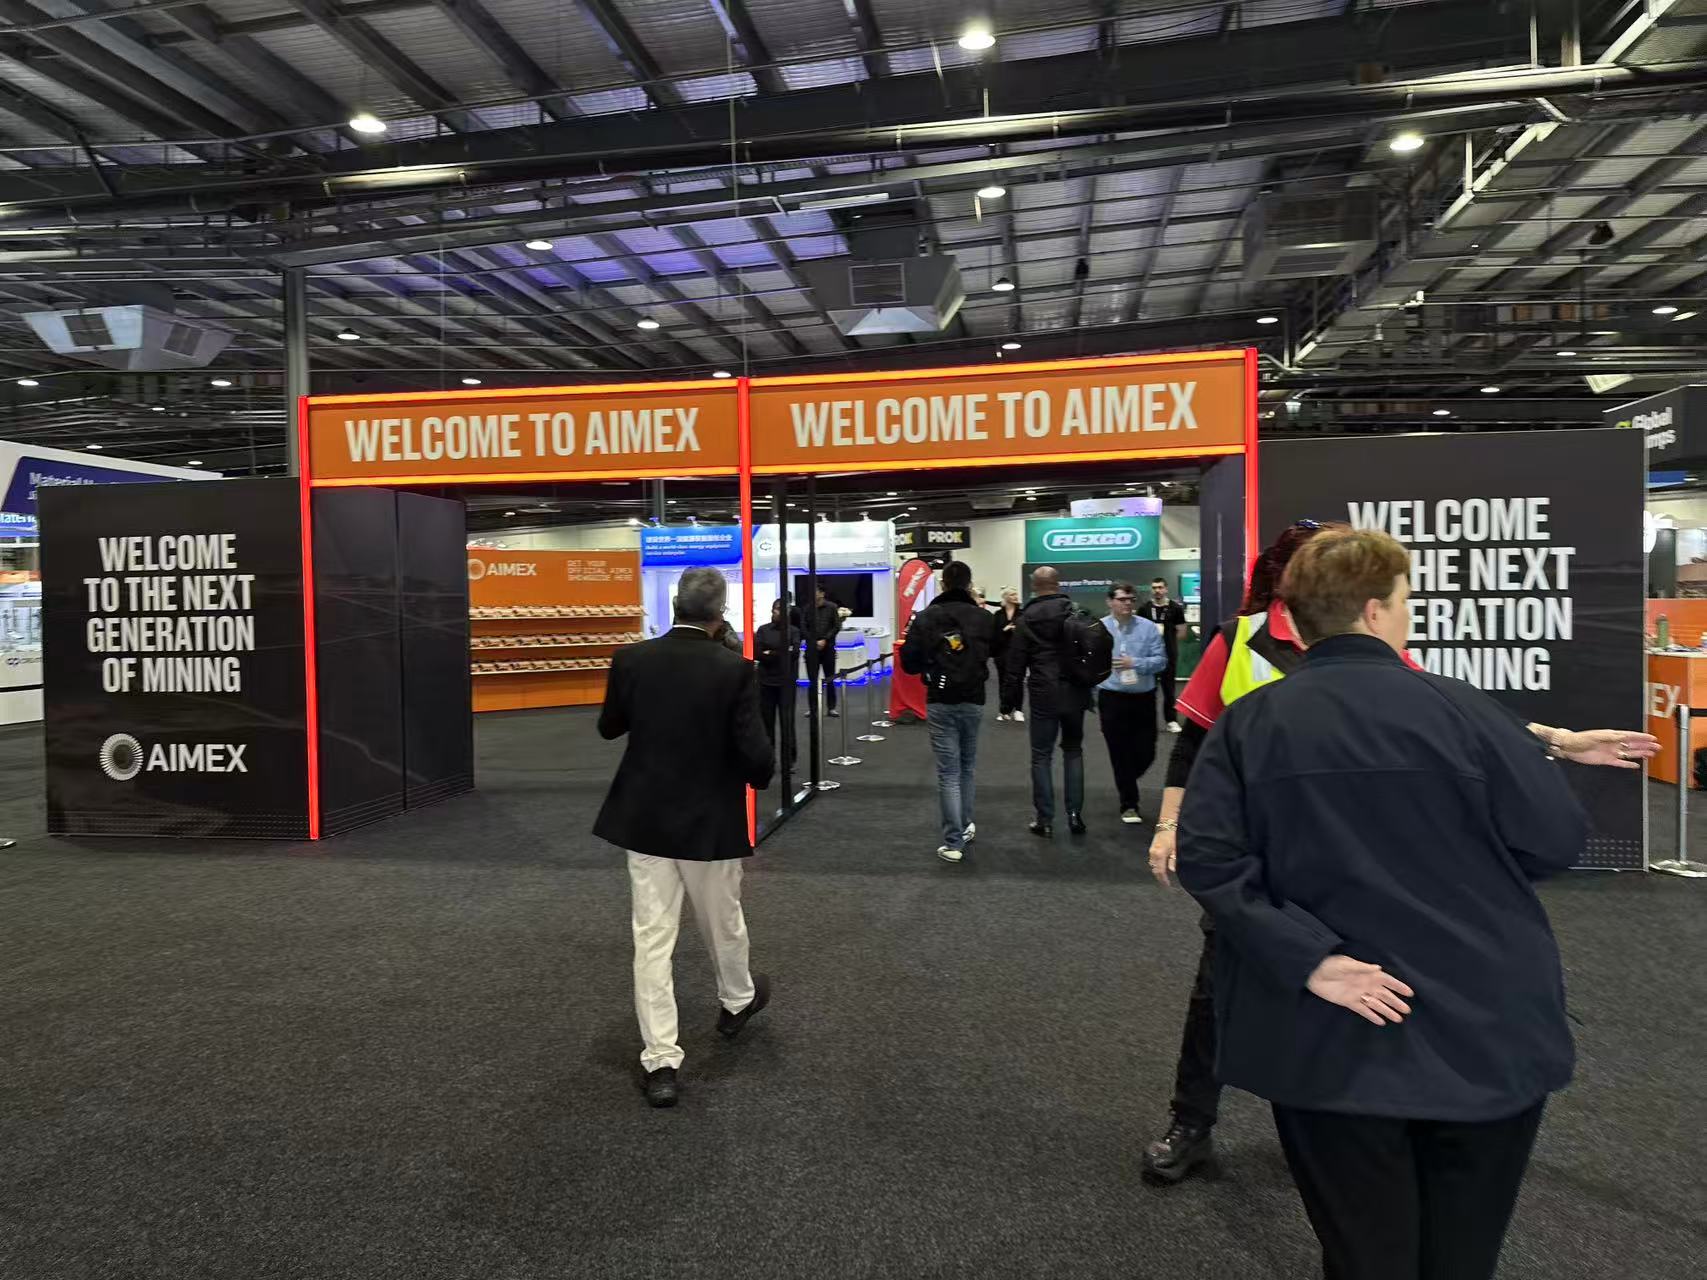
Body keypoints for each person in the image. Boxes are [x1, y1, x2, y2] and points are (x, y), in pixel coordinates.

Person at [1140, 521, 1661, 1185]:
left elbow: (1441, 713)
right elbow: (1195, 742)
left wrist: (1555, 739)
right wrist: (1168, 824)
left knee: (1370, 987)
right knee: (1222, 985)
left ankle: (1373, 1108)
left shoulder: (1378, 647)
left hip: (1350, 853)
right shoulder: (1236, 642)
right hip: (1270, 858)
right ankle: (1192, 1120)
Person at [593, 567, 776, 1109]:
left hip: (644, 818)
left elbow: (609, 726)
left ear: (674, 605)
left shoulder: (631, 659)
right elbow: (758, 759)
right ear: (721, 614)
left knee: (651, 939)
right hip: (710, 822)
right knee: (723, 923)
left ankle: (661, 1061)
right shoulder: (734, 669)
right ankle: (737, 1001)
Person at [900, 559, 996, 864]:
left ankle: (953, 840)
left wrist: (932, 663)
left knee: (949, 773)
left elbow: (909, 661)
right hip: (974, 698)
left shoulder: (927, 617)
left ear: (942, 584)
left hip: (940, 698)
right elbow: (995, 651)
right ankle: (964, 826)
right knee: (966, 767)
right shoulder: (983, 618)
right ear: (968, 585)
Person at [1003, 566, 1110, 837]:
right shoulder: (1074, 610)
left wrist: (1009, 702)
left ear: (1034, 585)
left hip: (1043, 694)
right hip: (1075, 692)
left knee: (1042, 756)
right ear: (1058, 584)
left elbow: (1014, 665)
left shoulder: (1027, 618)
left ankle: (1045, 819)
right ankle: (1075, 816)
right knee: (1073, 751)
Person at [1097, 582, 1168, 824]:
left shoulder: (1148, 628)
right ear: (1110, 602)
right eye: (1122, 599)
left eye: (1131, 599)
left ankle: (1127, 777)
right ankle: (1129, 804)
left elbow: (1161, 661)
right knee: (1119, 752)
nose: (1128, 603)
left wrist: (1135, 663)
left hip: (1143, 698)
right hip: (1111, 698)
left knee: (1147, 751)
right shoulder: (1099, 628)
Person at [1135, 576, 1187, 733]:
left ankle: (1171, 720)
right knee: (1147, 689)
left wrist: (1168, 643)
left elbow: (1182, 631)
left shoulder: (1175, 608)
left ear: (1166, 589)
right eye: (1154, 587)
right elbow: (1138, 631)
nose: (1157, 590)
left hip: (1168, 656)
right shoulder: (1144, 609)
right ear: (1151, 589)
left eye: (1160, 587)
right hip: (1149, 656)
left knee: (1169, 690)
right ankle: (1146, 721)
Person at [754, 598, 800, 773]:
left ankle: (789, 762)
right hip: (766, 683)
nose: (778, 613)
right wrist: (781, 652)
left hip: (786, 684)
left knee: (787, 723)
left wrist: (770, 652)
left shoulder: (794, 631)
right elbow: (759, 653)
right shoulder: (763, 630)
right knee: (766, 724)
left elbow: (793, 653)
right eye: (776, 609)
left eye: (782, 610)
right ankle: (768, 760)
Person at [806, 584, 844, 717]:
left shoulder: (832, 607)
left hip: (828, 648)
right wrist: (813, 641)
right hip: (812, 649)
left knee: (830, 679)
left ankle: (831, 707)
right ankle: (812, 708)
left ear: (822, 593)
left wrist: (825, 639)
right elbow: (804, 627)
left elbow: (836, 626)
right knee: (812, 680)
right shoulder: (808, 608)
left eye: (816, 592)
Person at [990, 587, 1026, 723]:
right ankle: (1004, 710)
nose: (1015, 596)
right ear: (1005, 598)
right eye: (1012, 594)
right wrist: (1004, 630)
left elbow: (1027, 633)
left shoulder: (1022, 614)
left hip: (1018, 653)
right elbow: (993, 635)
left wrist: (1018, 630)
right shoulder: (998, 615)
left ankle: (1018, 710)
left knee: (1018, 682)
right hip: (1001, 653)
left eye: (1016, 593)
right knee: (1003, 682)